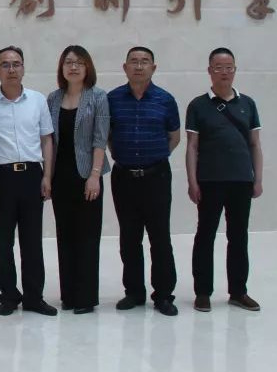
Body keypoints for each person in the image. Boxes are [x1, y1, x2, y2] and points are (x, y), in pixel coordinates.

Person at [0, 46, 59, 316]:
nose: (11, 69)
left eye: (16, 64)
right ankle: (9, 296)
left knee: (32, 241)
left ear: (23, 68)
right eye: (5, 65)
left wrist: (47, 175)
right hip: (1, 177)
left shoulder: (37, 100)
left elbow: (46, 139)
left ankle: (34, 297)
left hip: (32, 176)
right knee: (3, 242)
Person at [186, 47, 264, 313]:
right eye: (218, 67)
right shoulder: (198, 105)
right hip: (210, 181)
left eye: (229, 67)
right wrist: (192, 181)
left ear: (235, 70)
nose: (224, 72)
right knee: (205, 235)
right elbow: (192, 146)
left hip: (241, 180)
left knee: (238, 236)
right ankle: (202, 292)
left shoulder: (247, 104)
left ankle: (238, 292)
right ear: (209, 71)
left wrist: (257, 178)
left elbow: (255, 144)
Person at [107, 46, 180, 317]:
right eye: (134, 61)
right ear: (125, 67)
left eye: (145, 61)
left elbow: (174, 136)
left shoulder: (165, 99)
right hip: (124, 177)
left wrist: (154, 158)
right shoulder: (113, 99)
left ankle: (163, 295)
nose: (139, 66)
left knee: (160, 237)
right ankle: (134, 292)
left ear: (153, 67)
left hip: (156, 176)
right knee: (129, 237)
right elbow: (108, 136)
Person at [46, 45, 110, 314]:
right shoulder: (53, 98)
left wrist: (94, 175)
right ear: (62, 67)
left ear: (88, 67)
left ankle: (85, 298)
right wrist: (47, 176)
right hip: (61, 177)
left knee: (87, 237)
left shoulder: (98, 97)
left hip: (87, 176)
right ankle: (69, 295)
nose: (73, 67)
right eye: (68, 62)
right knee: (65, 236)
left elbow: (100, 139)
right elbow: (49, 140)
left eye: (79, 63)